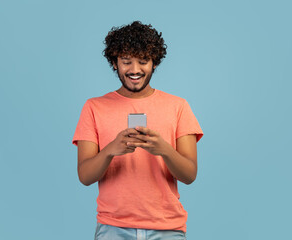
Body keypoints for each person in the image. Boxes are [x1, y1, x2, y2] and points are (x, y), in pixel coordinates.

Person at [72, 21, 203, 240]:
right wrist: (111, 150)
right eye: (126, 62)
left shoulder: (178, 106)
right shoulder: (93, 107)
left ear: (154, 63)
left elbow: (189, 175)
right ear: (115, 63)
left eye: (143, 61)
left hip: (167, 228)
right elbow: (85, 176)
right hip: (113, 227)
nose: (135, 70)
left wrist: (164, 149)